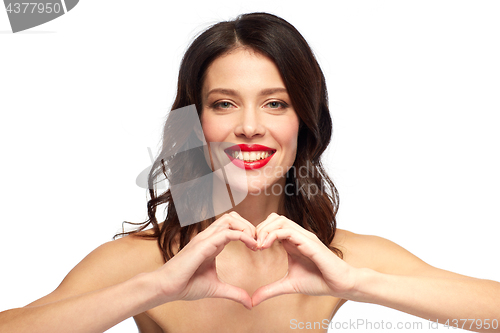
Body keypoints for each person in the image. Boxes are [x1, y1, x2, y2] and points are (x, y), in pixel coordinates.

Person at [0, 12, 499, 333]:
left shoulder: (338, 256)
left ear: (304, 123)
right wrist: (155, 287)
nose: (250, 127)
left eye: (275, 104)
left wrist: (356, 283)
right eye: (224, 104)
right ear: (195, 125)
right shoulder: (144, 261)